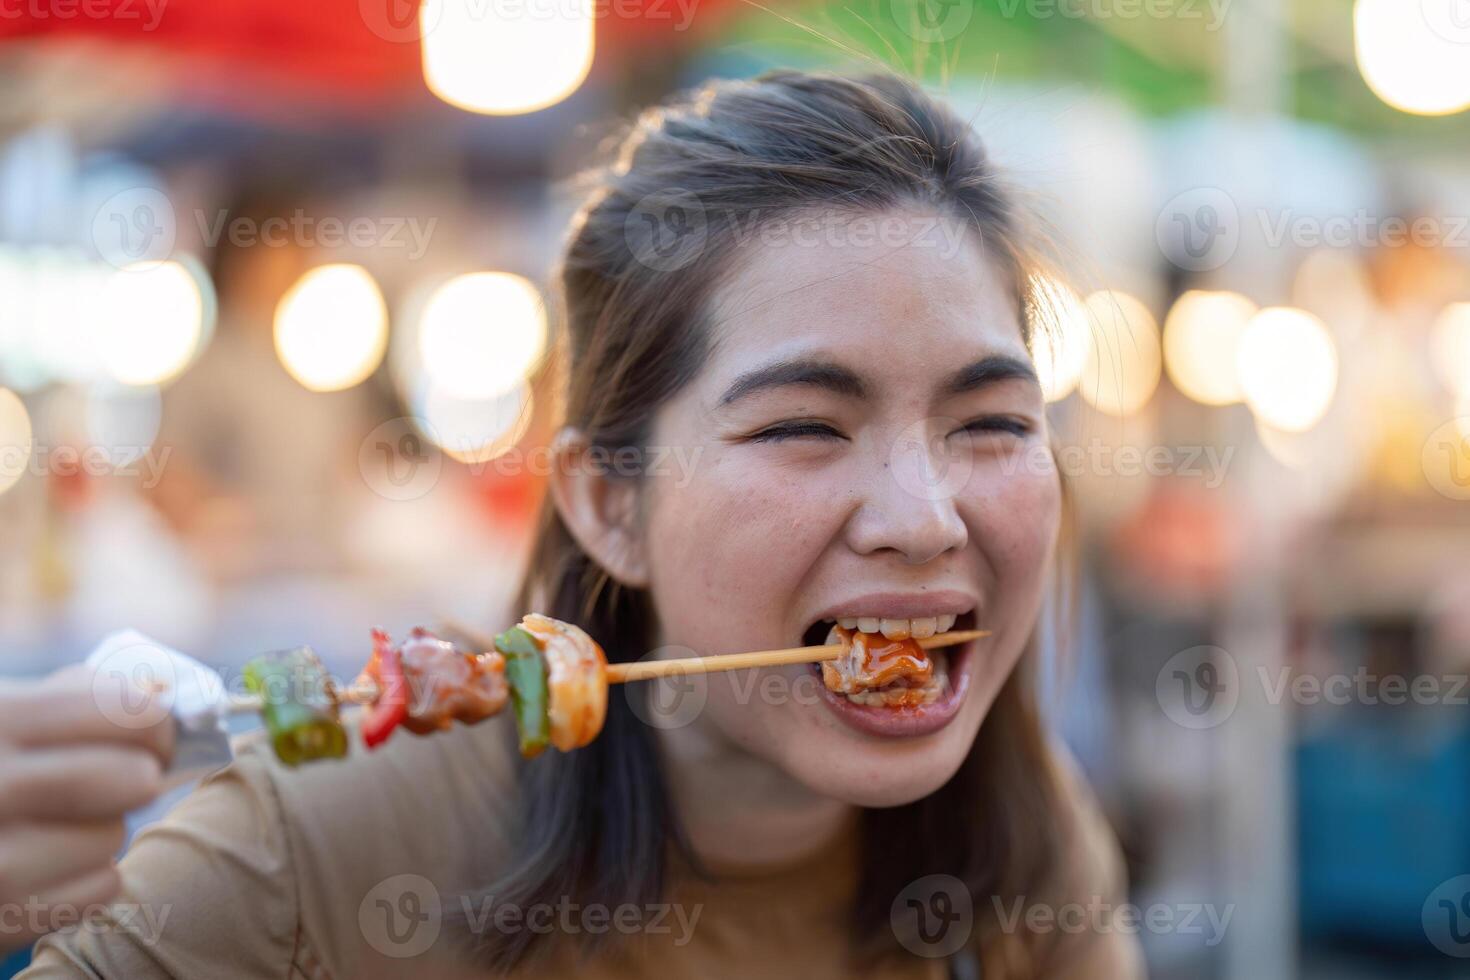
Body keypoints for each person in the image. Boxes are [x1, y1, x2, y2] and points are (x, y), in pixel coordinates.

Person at [8, 70, 1143, 978]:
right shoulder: (311, 848)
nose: (923, 516)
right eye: (805, 424)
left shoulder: (1028, 839)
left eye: (992, 420)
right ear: (609, 501)